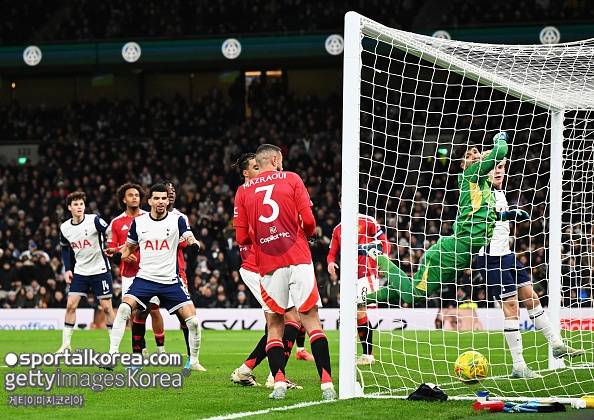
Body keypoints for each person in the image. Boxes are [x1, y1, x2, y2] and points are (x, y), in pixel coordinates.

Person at [234, 144, 336, 400]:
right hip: (296, 256)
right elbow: (309, 222)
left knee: (275, 324)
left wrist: (264, 237)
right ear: (275, 159)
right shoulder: (291, 178)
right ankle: (327, 385)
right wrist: (306, 234)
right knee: (310, 320)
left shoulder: (243, 191)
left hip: (267, 264)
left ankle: (277, 381)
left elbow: (241, 237)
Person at [362, 132, 510, 305]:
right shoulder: (472, 174)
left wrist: (509, 215)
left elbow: (486, 214)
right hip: (452, 252)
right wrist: (500, 138)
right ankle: (377, 254)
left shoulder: (483, 184)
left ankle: (362, 299)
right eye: (468, 155)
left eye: (475, 151)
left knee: (409, 290)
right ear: (463, 165)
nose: (474, 156)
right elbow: (501, 151)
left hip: (460, 254)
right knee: (414, 296)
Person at [474, 157, 585, 378]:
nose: (499, 171)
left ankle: (556, 344)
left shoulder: (499, 192)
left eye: (501, 167)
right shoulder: (480, 191)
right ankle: (519, 366)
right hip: (491, 258)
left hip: (507, 255)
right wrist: (508, 214)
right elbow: (482, 217)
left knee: (532, 298)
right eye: (494, 168)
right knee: (511, 307)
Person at [106, 183, 205, 371]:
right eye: (157, 198)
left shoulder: (177, 220)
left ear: (168, 201)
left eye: (164, 198)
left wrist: (194, 244)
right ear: (150, 201)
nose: (161, 201)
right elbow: (129, 247)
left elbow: (189, 237)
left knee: (192, 321)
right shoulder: (139, 223)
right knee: (124, 309)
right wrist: (120, 255)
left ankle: (193, 361)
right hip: (145, 279)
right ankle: (112, 356)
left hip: (170, 281)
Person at [230, 153, 307, 388]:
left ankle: (246, 371)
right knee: (290, 319)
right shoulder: (248, 195)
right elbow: (243, 235)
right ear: (246, 173)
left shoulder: (258, 194)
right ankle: (275, 376)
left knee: (278, 323)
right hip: (258, 267)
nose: (261, 170)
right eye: (256, 167)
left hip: (268, 265)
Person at [106, 183, 167, 355]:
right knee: (132, 312)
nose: (134, 198)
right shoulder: (116, 223)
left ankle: (161, 349)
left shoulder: (150, 218)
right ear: (124, 199)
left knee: (154, 309)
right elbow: (110, 249)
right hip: (129, 274)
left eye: (137, 195)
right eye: (130, 195)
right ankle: (141, 349)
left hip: (150, 272)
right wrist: (123, 254)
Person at [327, 207, 390, 365]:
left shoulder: (367, 220)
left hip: (366, 273)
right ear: (340, 205)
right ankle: (365, 353)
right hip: (349, 277)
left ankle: (368, 355)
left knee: (360, 311)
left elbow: (384, 241)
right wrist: (330, 263)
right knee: (353, 314)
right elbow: (331, 253)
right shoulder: (338, 229)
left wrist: (384, 261)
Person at [57, 191, 115, 352]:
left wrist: (110, 245)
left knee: (107, 308)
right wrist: (68, 269)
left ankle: (114, 347)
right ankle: (66, 345)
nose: (79, 207)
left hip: (100, 270)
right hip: (80, 272)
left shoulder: (94, 220)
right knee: (70, 306)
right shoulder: (65, 227)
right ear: (69, 207)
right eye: (75, 204)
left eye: (81, 204)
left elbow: (109, 231)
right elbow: (65, 248)